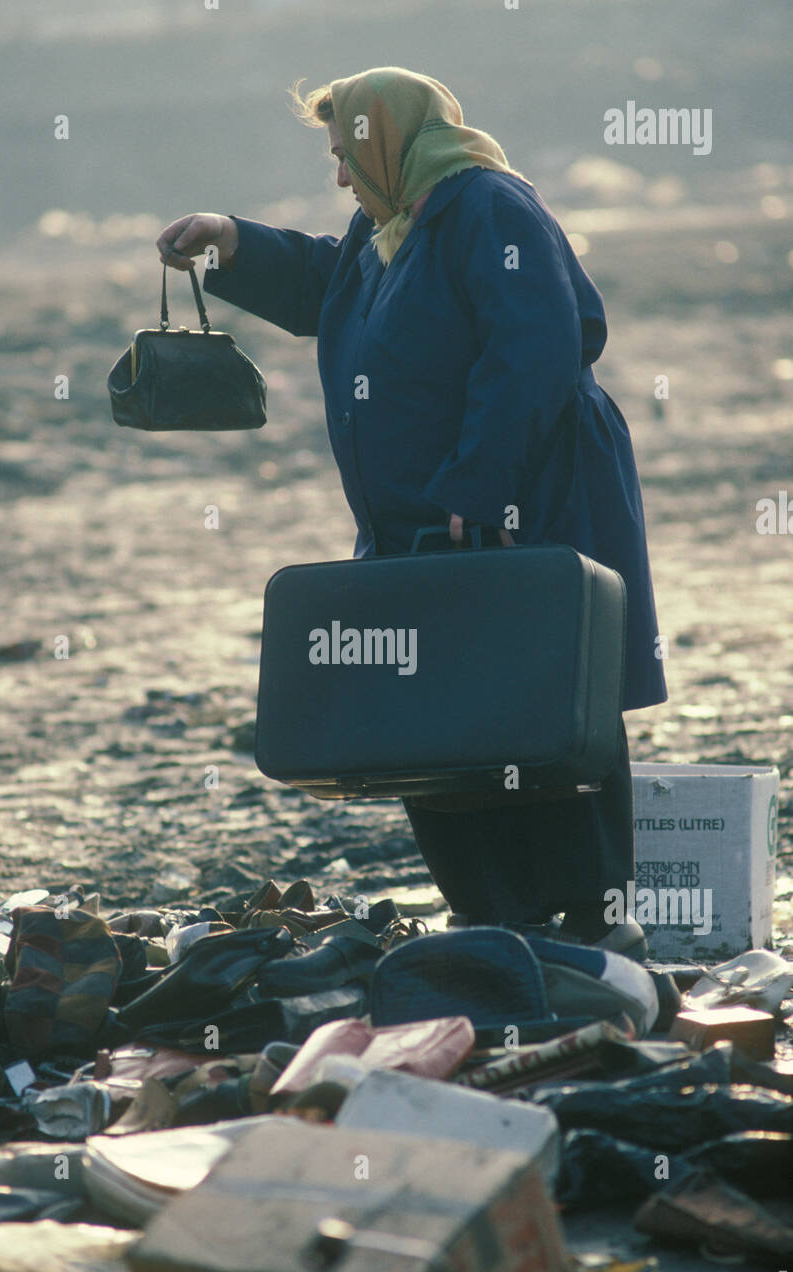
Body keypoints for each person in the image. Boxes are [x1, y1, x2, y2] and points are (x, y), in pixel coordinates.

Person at [157, 65, 667, 960]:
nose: (340, 176)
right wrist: (231, 241)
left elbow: (536, 345)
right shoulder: (390, 223)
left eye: (344, 153)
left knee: (551, 695)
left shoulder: (488, 206)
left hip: (523, 498)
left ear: (384, 139)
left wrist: (482, 486)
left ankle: (597, 916)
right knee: (437, 700)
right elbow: (328, 287)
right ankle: (489, 910)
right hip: (431, 515)